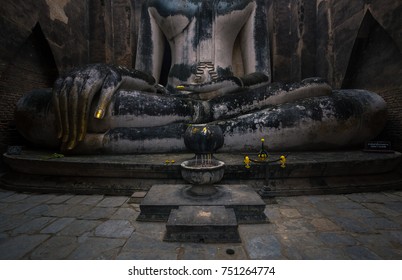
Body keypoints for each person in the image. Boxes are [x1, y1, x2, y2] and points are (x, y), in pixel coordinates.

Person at [15, 0, 386, 154]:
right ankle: (206, 131)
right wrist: (112, 73)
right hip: (171, 102)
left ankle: (137, 140)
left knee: (359, 104)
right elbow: (147, 74)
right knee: (37, 108)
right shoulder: (158, 4)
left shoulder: (246, 2)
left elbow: (263, 76)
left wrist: (234, 84)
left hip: (236, 102)